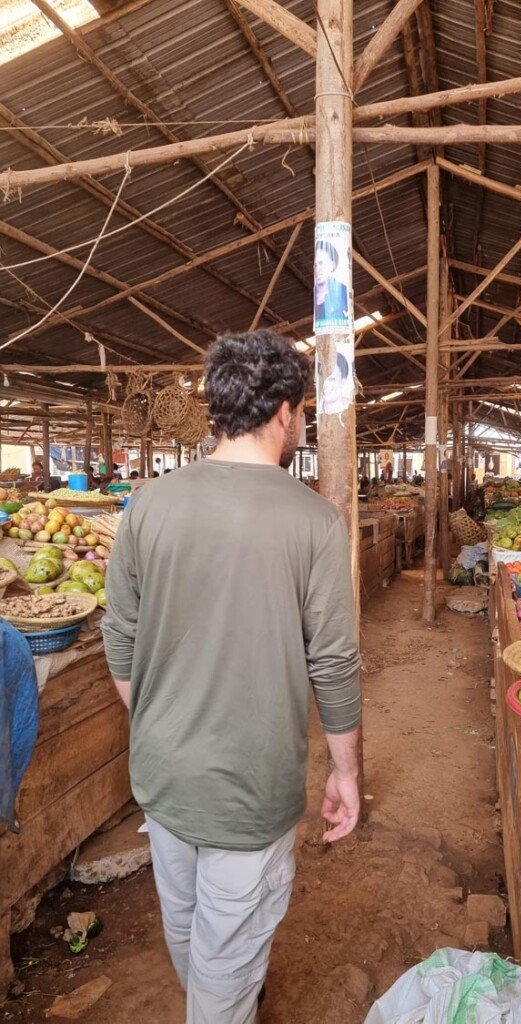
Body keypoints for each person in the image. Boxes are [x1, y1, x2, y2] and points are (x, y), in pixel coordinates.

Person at [102, 330, 361, 1024]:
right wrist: (346, 773)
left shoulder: (146, 506)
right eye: (301, 410)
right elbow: (333, 660)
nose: (301, 422)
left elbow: (118, 638)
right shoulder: (314, 522)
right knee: (227, 962)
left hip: (163, 777)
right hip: (250, 787)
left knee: (185, 927)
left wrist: (160, 718)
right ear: (284, 411)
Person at [314, 241, 349, 324]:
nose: (318, 269)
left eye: (321, 263)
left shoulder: (343, 291)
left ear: (332, 265)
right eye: (315, 265)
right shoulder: (314, 295)